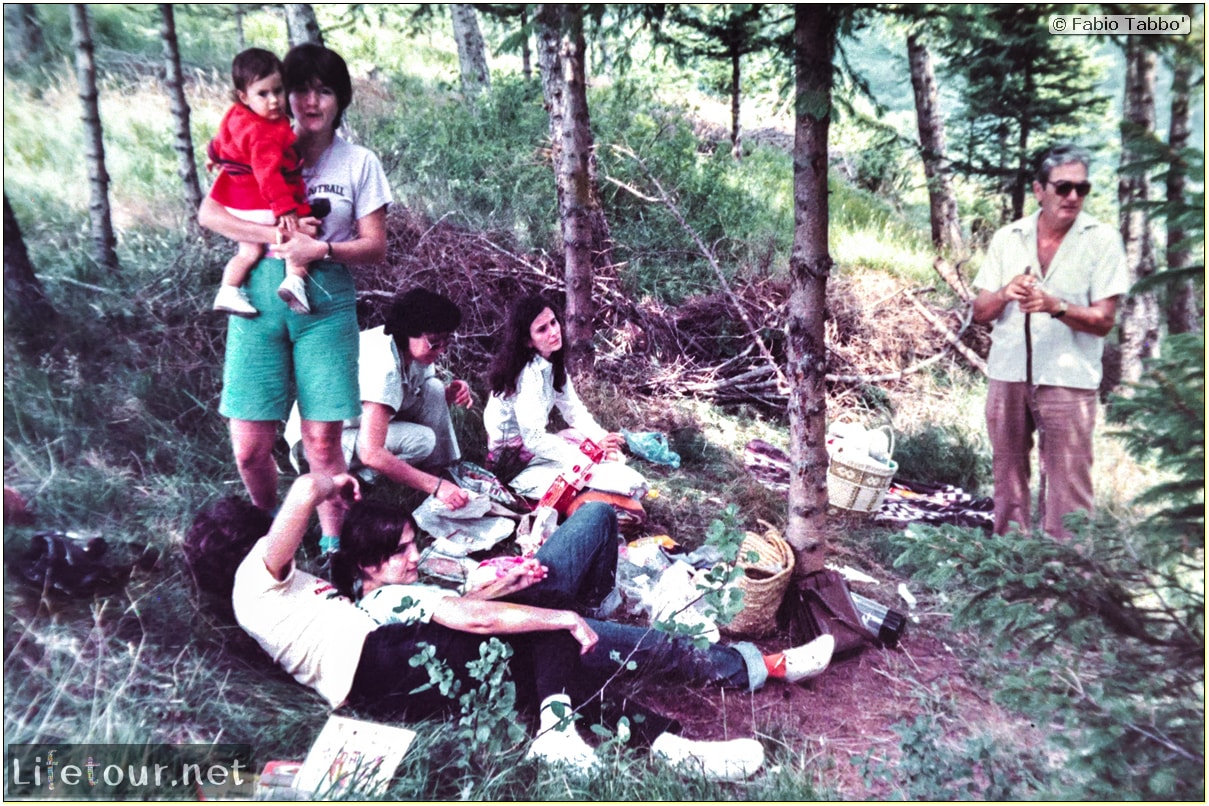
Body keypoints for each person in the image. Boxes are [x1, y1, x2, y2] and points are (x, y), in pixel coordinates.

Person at [186, 475, 835, 778]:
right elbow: (303, 495)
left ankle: (676, 750)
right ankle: (569, 725)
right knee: (548, 626)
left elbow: (453, 600)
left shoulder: (282, 597)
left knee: (544, 645)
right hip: (383, 663)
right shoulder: (257, 582)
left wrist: (503, 583)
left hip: (388, 666)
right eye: (400, 550)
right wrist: (329, 482)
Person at [198, 43, 391, 549]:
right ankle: (270, 532)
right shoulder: (256, 140)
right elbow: (210, 214)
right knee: (249, 448)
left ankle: (334, 547)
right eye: (299, 89)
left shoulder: (359, 162)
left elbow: (375, 247)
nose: (309, 101)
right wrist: (277, 237)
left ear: (340, 98)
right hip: (257, 301)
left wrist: (320, 247)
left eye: (323, 91)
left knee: (322, 442)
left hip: (324, 304)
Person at [971, 144, 1130, 538]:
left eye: (1082, 188)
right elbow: (980, 311)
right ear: (1039, 190)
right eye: (1063, 187)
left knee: (1069, 490)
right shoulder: (1009, 238)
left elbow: (1104, 321)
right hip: (1008, 374)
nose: (1073, 196)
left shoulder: (1102, 240)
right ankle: (1008, 562)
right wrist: (1005, 292)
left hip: (1068, 379)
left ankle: (1066, 571)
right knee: (1007, 478)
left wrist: (1055, 306)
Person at [285, 288, 474, 510]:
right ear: (408, 331)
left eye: (446, 341)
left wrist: (449, 393)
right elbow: (371, 452)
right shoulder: (383, 366)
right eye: (434, 342)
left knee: (434, 388)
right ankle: (363, 481)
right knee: (423, 440)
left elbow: (417, 390)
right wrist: (435, 486)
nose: (441, 349)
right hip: (322, 442)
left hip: (358, 424)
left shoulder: (408, 349)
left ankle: (440, 469)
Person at [484, 294, 648, 502]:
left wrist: (600, 438)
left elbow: (574, 410)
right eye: (542, 329)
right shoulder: (528, 375)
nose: (554, 332)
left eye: (553, 322)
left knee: (600, 452)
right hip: (514, 463)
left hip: (533, 449)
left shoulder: (551, 363)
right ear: (527, 341)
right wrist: (586, 455)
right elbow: (534, 439)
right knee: (608, 477)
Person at [206, 47, 313, 318]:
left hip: (237, 202)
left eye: (278, 91)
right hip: (260, 201)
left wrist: (214, 157)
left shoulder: (236, 114)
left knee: (249, 250)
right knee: (300, 234)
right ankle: (294, 281)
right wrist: (285, 209)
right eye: (263, 94)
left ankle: (228, 290)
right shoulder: (264, 133)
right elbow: (268, 175)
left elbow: (221, 139)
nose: (274, 101)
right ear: (244, 96)